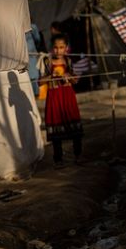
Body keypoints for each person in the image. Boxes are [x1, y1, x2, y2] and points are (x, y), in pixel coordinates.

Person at [43, 34, 84, 166]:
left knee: (74, 126)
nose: (58, 50)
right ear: (52, 48)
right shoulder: (47, 61)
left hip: (68, 97)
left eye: (61, 47)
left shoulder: (69, 61)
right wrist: (51, 76)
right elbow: (40, 82)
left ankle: (78, 155)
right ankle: (58, 159)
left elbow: (75, 80)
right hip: (54, 97)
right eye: (56, 47)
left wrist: (69, 76)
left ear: (66, 48)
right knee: (56, 127)